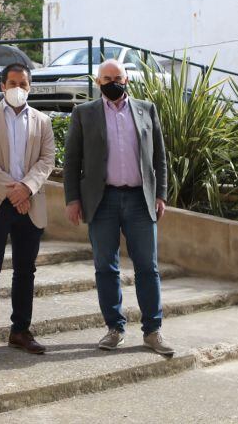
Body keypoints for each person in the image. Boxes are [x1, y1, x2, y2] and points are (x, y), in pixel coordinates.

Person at [63, 58, 173, 356]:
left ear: (126, 80)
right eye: (106, 78)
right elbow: (72, 160)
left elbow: (159, 157)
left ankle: (153, 331)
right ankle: (115, 327)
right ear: (98, 82)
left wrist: (160, 194)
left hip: (140, 199)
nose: (113, 82)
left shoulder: (146, 109)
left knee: (147, 268)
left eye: (118, 77)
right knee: (105, 267)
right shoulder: (84, 113)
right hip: (103, 200)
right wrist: (72, 199)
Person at [0, 62, 55, 361]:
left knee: (25, 271)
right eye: (13, 83)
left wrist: (26, 188)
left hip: (29, 204)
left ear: (30, 87)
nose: (19, 89)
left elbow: (47, 160)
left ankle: (20, 330)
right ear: (2, 86)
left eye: (24, 84)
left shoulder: (43, 121)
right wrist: (12, 190)